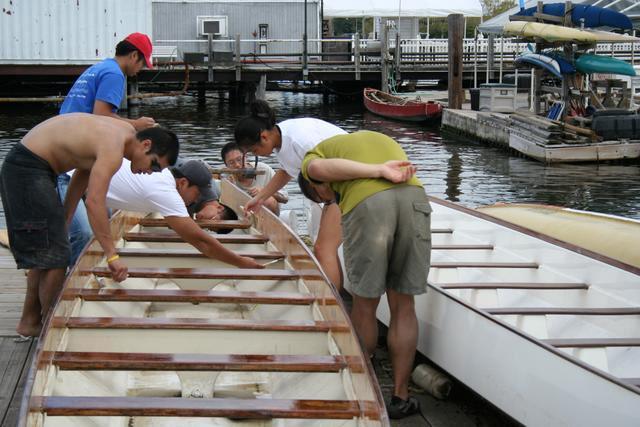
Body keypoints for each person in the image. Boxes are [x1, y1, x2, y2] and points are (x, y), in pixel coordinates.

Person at [0, 113, 180, 338]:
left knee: (45, 249)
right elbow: (95, 202)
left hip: (31, 167)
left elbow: (81, 175)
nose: (149, 172)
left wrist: (64, 219)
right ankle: (52, 331)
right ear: (146, 144)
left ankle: (30, 323)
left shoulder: (119, 134)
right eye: (154, 164)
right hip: (28, 169)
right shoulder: (113, 149)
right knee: (57, 257)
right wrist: (112, 256)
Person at [298, 130, 431, 420]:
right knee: (403, 304)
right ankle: (400, 396)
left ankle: (361, 385)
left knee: (365, 303)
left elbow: (318, 170)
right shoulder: (362, 140)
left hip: (370, 205)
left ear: (314, 186)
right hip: (414, 197)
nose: (327, 201)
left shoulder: (315, 155)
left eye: (321, 197)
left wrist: (376, 172)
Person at [59, 32, 157, 265]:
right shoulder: (115, 74)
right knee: (81, 233)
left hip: (69, 144)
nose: (141, 69)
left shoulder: (100, 67)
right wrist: (137, 124)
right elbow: (101, 116)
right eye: (143, 63)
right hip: (68, 156)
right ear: (134, 55)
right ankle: (66, 284)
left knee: (103, 215)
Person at [234, 100, 346, 287]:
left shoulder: (301, 139)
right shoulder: (281, 138)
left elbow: (333, 169)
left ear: (264, 137)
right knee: (323, 247)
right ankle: (334, 295)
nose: (258, 155)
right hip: (332, 189)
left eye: (254, 151)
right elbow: (286, 171)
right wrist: (259, 199)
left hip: (344, 185)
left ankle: (333, 307)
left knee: (323, 248)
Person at [106, 158, 263, 268]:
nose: (196, 200)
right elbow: (203, 243)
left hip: (91, 175)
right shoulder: (168, 194)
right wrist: (240, 261)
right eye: (197, 193)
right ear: (182, 183)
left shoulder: (166, 176)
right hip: (88, 176)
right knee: (86, 234)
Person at [221, 142, 288, 215]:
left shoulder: (264, 169)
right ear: (226, 166)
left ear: (246, 157)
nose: (237, 165)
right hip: (241, 215)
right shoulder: (226, 177)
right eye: (231, 163)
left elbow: (285, 199)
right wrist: (229, 189)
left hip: (268, 215)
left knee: (269, 201)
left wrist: (264, 192)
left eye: (239, 159)